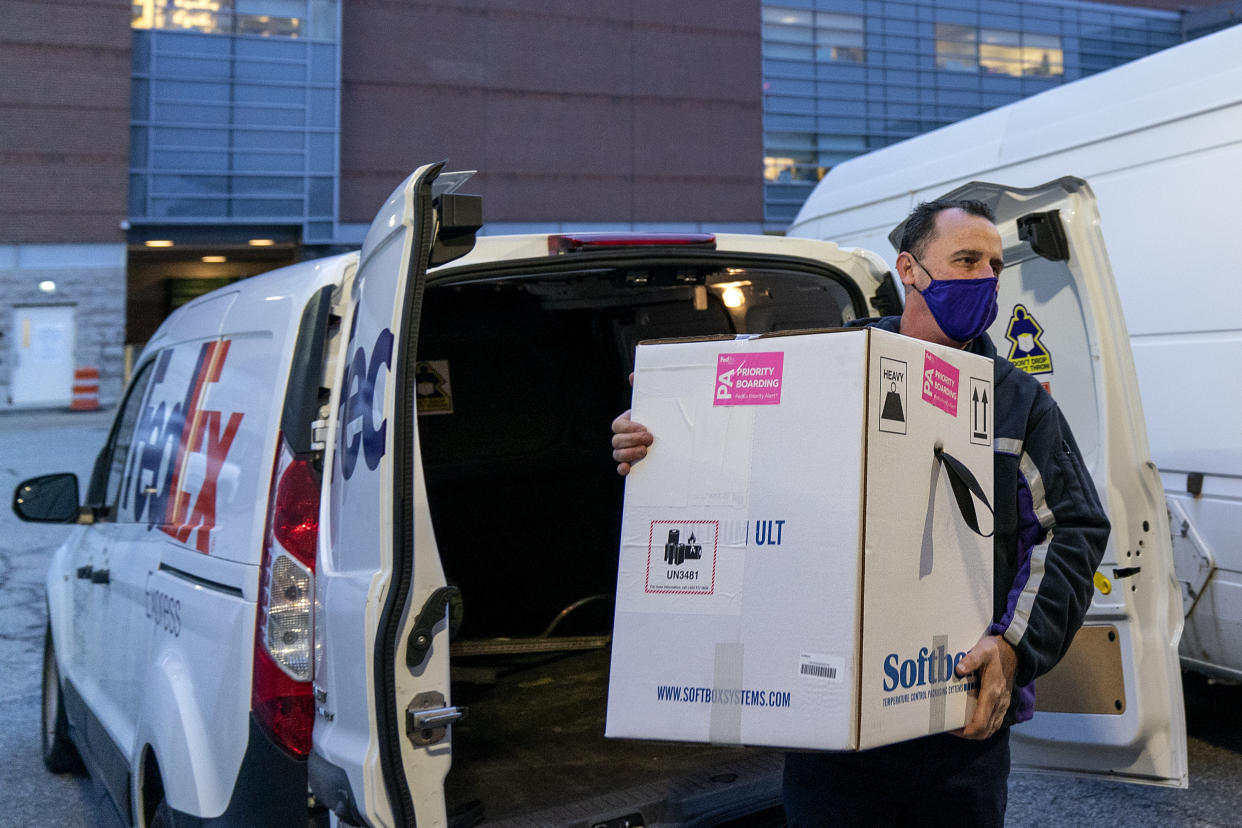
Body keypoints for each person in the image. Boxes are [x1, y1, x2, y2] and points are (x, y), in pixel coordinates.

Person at [610, 200, 1110, 826]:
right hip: (829, 725)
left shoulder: (1015, 400)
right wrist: (658, 443)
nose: (984, 278)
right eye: (965, 260)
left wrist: (1011, 648)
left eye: (993, 265)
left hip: (956, 719)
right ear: (910, 267)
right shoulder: (831, 366)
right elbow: (734, 452)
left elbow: (1073, 530)